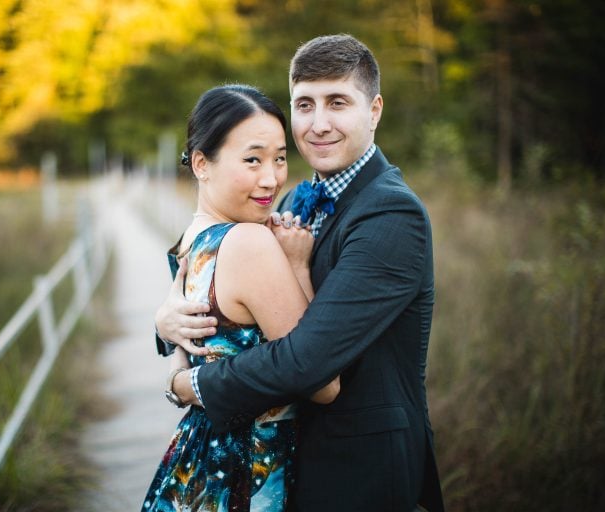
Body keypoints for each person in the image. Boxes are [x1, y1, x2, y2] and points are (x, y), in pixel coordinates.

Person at [155, 34, 445, 511]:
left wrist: (189, 385)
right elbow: (222, 293)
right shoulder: (288, 201)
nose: (318, 123)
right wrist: (165, 320)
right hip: (284, 461)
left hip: (359, 468)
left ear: (373, 111)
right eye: (304, 105)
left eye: (338, 103)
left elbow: (308, 361)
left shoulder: (393, 215)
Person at [142, 84, 340, 512]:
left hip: (195, 460)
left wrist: (176, 376)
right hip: (244, 472)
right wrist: (301, 268)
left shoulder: (189, 241)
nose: (271, 179)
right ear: (201, 163)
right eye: (252, 160)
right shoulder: (250, 242)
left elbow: (187, 352)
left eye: (280, 158)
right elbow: (321, 383)